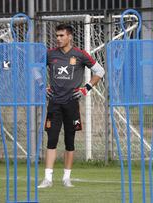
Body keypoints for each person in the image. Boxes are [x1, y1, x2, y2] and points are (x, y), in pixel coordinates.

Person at [38, 24, 105, 188]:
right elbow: (35, 69)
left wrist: (86, 88)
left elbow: (100, 71)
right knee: (51, 139)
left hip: (72, 105)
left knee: (70, 140)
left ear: (70, 36)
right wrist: (41, 85)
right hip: (54, 104)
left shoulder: (80, 54)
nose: (58, 38)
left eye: (61, 35)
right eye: (57, 35)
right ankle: (47, 178)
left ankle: (66, 178)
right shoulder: (50, 54)